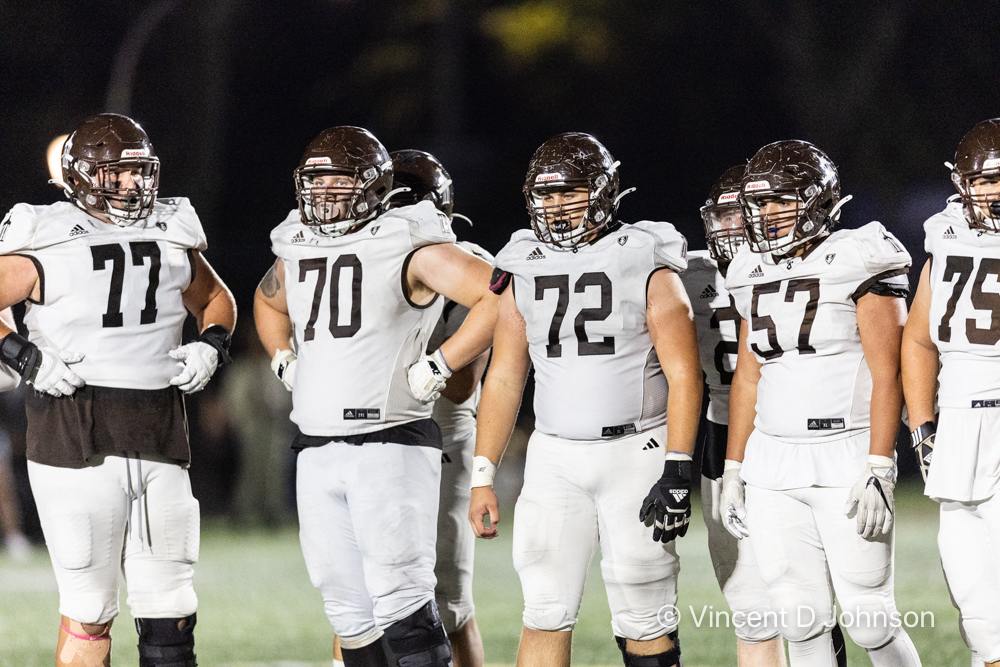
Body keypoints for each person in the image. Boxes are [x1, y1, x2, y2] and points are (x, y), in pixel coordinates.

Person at [254, 126, 498, 667]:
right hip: (320, 443)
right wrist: (285, 359)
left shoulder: (415, 244)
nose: (325, 195)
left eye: (338, 182)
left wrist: (440, 361)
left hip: (403, 435)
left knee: (423, 602)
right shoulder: (308, 241)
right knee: (347, 608)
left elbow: (496, 300)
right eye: (319, 182)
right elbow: (267, 299)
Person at [0, 113, 236, 667]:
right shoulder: (47, 232)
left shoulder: (170, 227)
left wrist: (212, 344)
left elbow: (216, 298)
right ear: (82, 176)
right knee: (89, 610)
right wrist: (23, 356)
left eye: (139, 171)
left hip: (159, 431)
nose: (133, 183)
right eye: (117, 173)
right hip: (73, 435)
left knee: (172, 609)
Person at [468, 132, 702, 667]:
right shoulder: (523, 260)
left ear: (603, 191)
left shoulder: (645, 253)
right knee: (544, 607)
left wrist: (677, 466)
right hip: (554, 456)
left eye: (569, 192)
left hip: (636, 450)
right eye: (546, 195)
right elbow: (505, 376)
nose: (556, 206)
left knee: (645, 610)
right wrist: (483, 474)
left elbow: (685, 374)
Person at [721, 140, 920, 666]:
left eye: (781, 200)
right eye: (760, 203)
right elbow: (748, 377)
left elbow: (889, 371)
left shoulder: (859, 253)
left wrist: (880, 464)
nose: (768, 213)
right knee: (798, 616)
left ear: (818, 199)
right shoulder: (747, 267)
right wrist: (735, 468)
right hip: (772, 461)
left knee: (871, 619)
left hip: (846, 452)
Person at [328, 149, 490, 667]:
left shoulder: (465, 263)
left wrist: (430, 360)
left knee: (447, 599)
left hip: (438, 431)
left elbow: (461, 387)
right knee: (356, 593)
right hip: (366, 431)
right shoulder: (354, 250)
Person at [902, 118, 1000, 667]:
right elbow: (918, 340)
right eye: (984, 181)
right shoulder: (946, 236)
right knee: (979, 616)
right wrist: (923, 427)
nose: (993, 192)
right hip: (960, 429)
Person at [682, 165, 787, 666]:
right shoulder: (686, 274)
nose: (732, 226)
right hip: (722, 432)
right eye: (723, 215)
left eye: (742, 213)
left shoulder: (803, 264)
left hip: (789, 430)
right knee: (748, 601)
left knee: (808, 597)